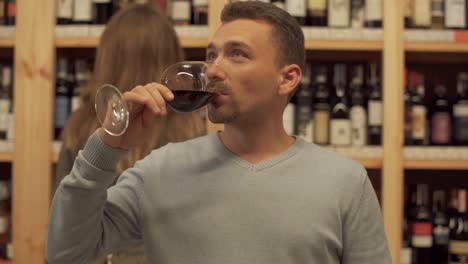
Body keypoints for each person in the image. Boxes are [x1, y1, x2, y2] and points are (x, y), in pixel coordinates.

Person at [46, 1, 392, 263]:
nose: (213, 70)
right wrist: (107, 145)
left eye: (237, 55)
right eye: (212, 56)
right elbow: (66, 254)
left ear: (287, 78)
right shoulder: (159, 170)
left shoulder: (345, 182)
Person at [52, 3, 205, 263]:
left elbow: (64, 221)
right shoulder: (191, 128)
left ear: (107, 55)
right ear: (171, 56)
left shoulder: (80, 125)